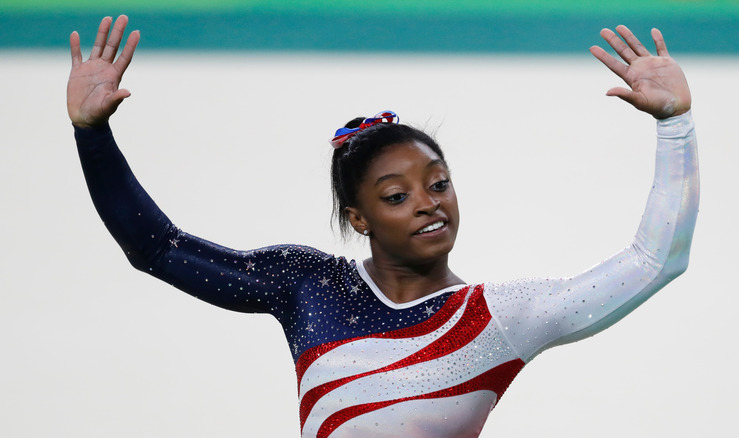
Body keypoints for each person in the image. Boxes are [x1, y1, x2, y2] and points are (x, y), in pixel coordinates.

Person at [68, 15, 699, 438]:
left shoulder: (497, 318)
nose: (430, 203)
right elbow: (156, 246)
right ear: (358, 217)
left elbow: (655, 260)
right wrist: (91, 134)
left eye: (439, 185)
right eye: (398, 196)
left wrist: (675, 124)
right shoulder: (306, 284)